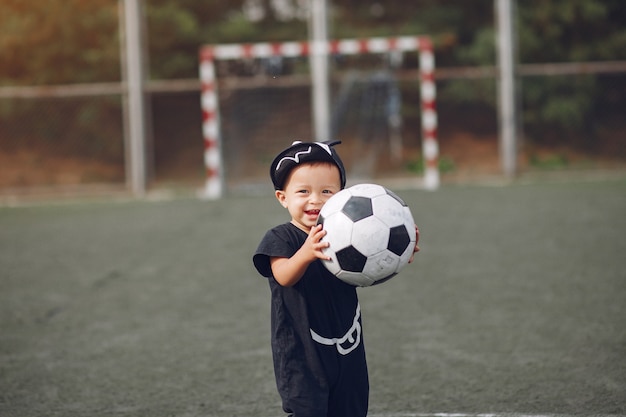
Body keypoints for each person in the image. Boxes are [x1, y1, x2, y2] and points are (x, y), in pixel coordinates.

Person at [252, 140, 419, 417]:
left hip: (348, 352)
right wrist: (306, 253)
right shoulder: (281, 237)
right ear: (283, 197)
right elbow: (283, 277)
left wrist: (400, 245)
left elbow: (372, 262)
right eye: (303, 191)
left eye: (326, 191)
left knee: (351, 409)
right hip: (302, 355)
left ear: (341, 196)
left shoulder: (343, 234)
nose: (315, 199)